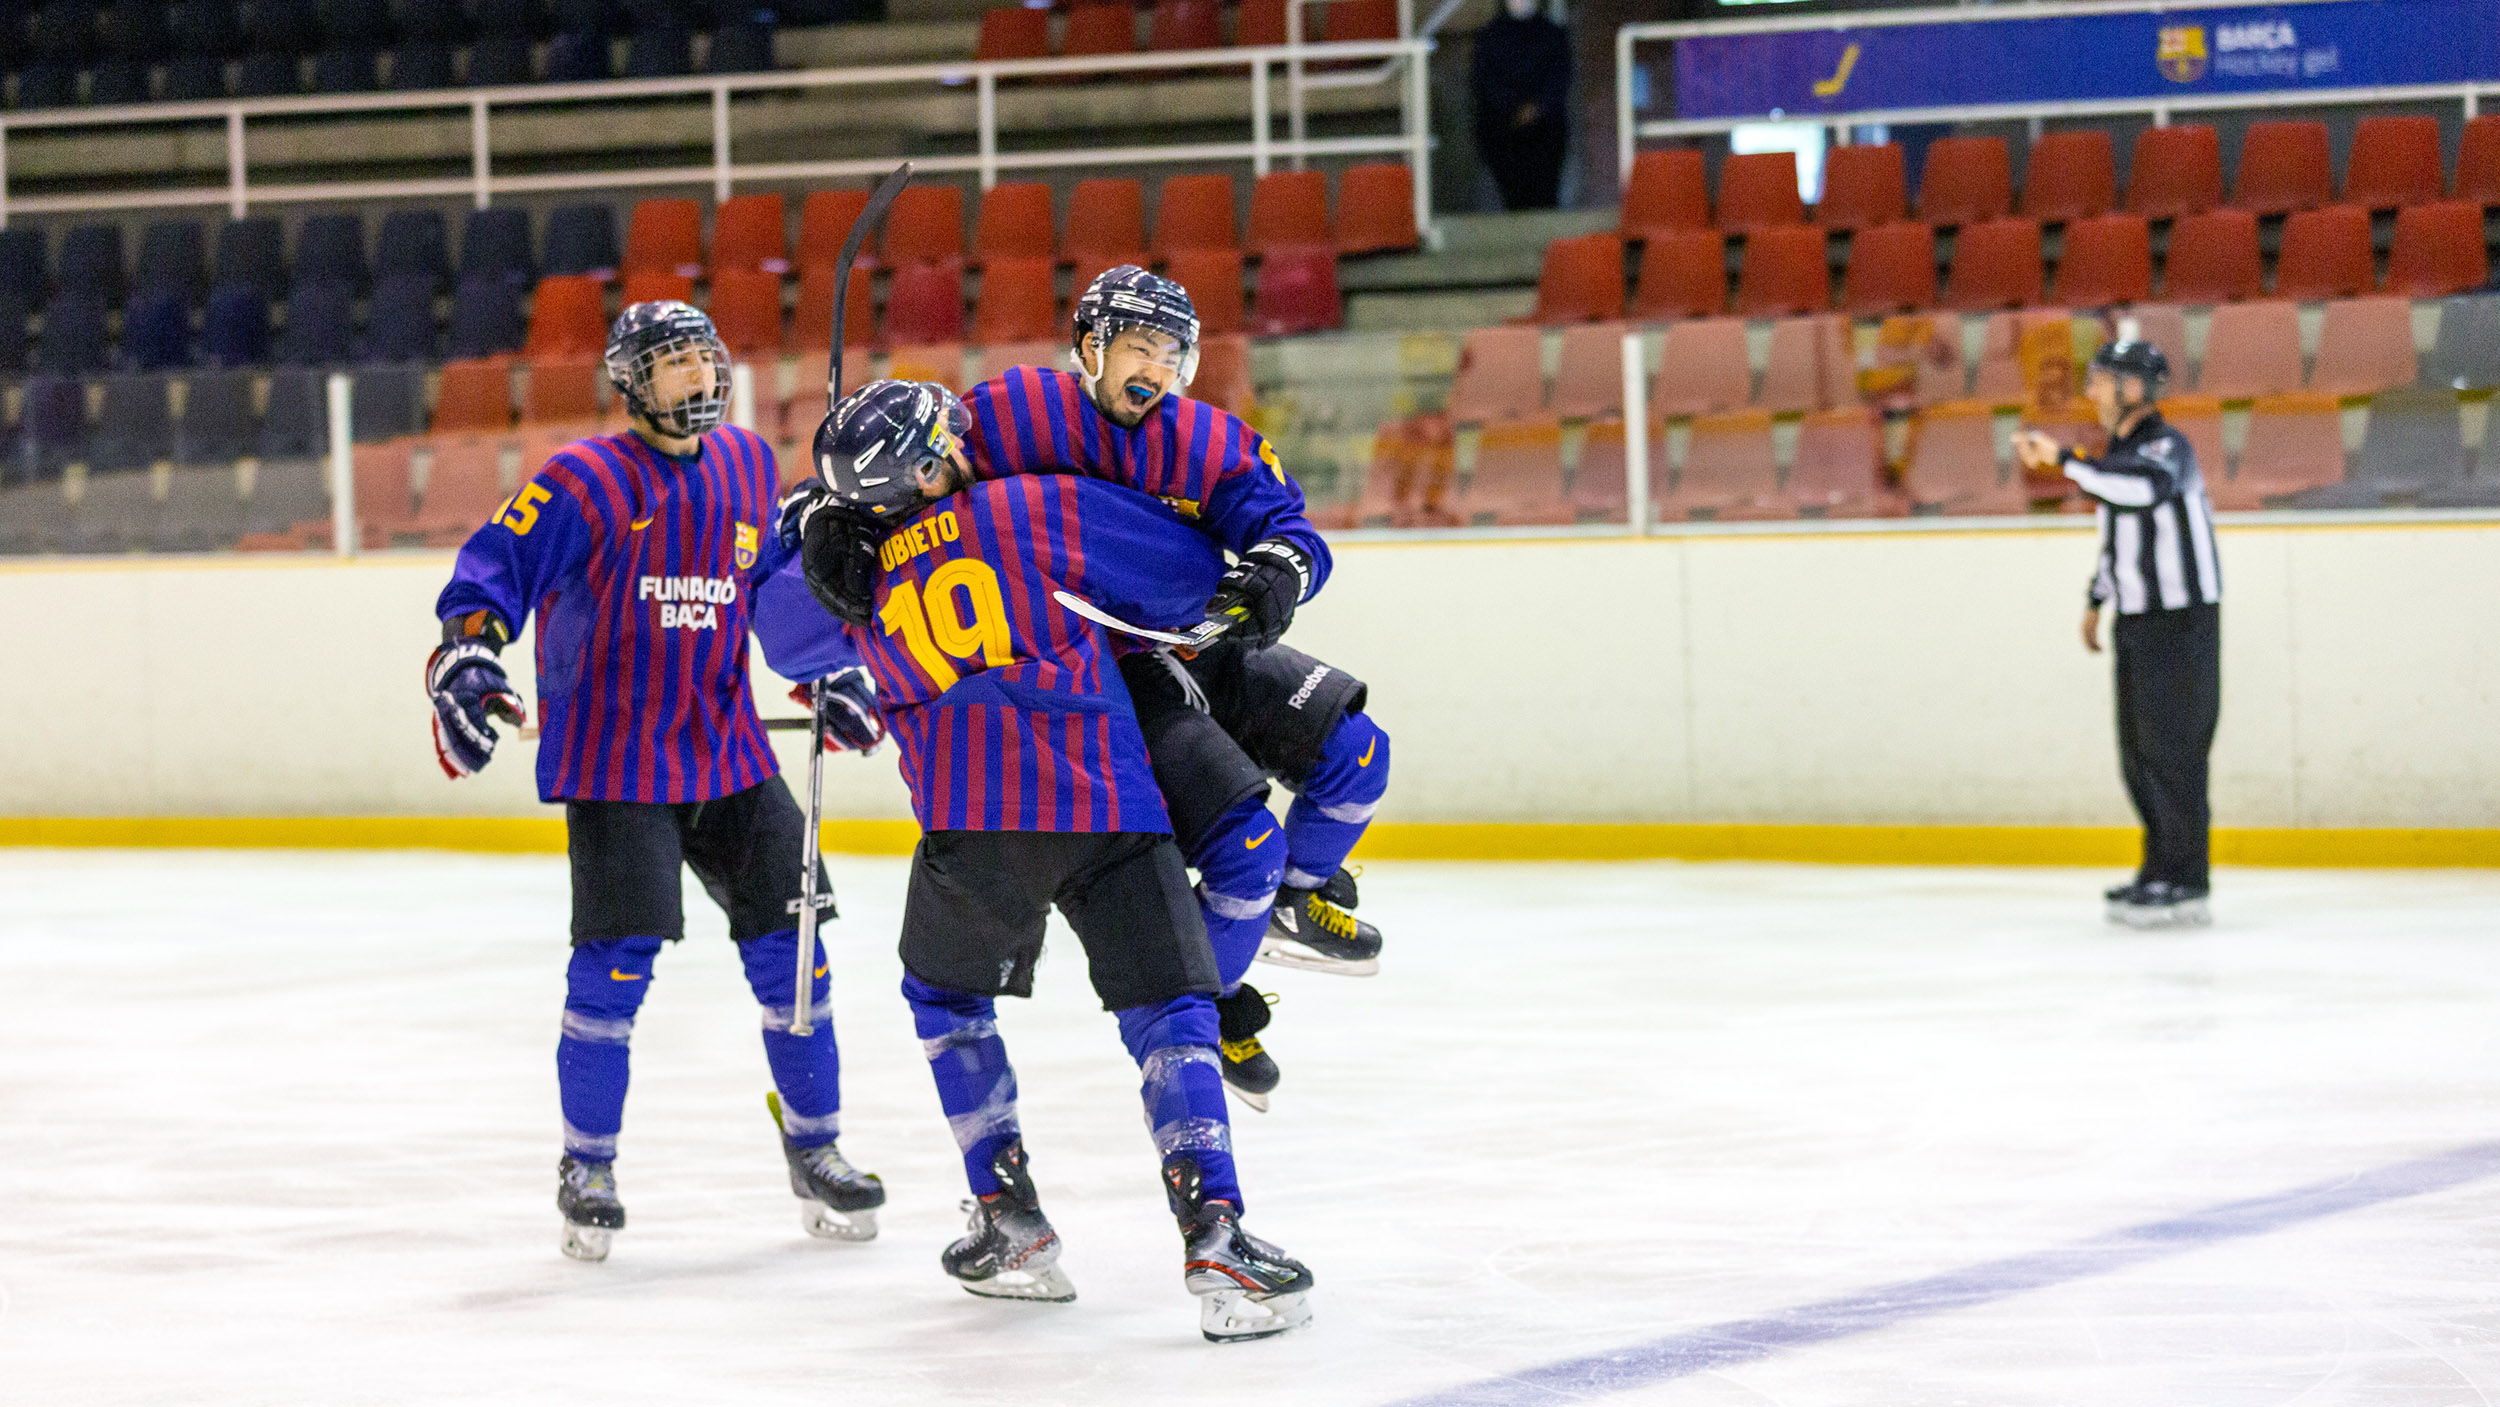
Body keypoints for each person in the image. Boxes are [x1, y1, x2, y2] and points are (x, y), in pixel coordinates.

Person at [773, 379, 1316, 1343]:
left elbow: (779, 633)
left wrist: (809, 524)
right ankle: (1218, 1237)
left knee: (945, 1002)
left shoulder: (851, 578)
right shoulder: (1035, 505)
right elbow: (1192, 570)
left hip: (970, 825)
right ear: (934, 462)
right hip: (1107, 801)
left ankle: (1010, 1222)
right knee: (1171, 1013)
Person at [426, 301, 888, 1261]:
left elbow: (766, 594)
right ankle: (586, 1162)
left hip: (727, 752)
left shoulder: (750, 465)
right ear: (631, 382)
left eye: (702, 360)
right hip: (618, 762)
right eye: (672, 365)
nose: (694, 379)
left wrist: (822, 665)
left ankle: (819, 1148)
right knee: (616, 968)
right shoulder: (584, 481)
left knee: (795, 956)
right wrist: (468, 657)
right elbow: (494, 573)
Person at [952, 265, 1393, 1110]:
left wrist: (1277, 574)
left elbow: (1293, 531)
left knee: (1356, 752)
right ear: (1091, 346)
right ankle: (1216, 996)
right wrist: (832, 514)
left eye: (1171, 353)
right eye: (1137, 347)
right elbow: (917, 468)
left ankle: (1297, 902)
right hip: (1099, 666)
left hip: (1200, 638)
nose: (1154, 369)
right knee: (1244, 848)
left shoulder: (1208, 440)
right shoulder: (1017, 411)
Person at [2016, 330, 2222, 929]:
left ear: (2135, 388)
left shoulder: (2166, 449)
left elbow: (2138, 493)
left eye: (2102, 378)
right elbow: (2119, 537)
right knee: (2139, 755)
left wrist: (2065, 461)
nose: (2092, 389)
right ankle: (2160, 870)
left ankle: (2186, 878)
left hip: (2180, 625)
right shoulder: (2118, 452)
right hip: (2139, 623)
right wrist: (2096, 598)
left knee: (2175, 753)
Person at [1470, 0, 1571, 210]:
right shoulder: (1489, 37)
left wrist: (1538, 108)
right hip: (1503, 130)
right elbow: (1484, 82)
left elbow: (1560, 79)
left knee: (1545, 196)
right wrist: (1513, 109)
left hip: (1546, 129)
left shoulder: (1553, 34)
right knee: (1516, 200)